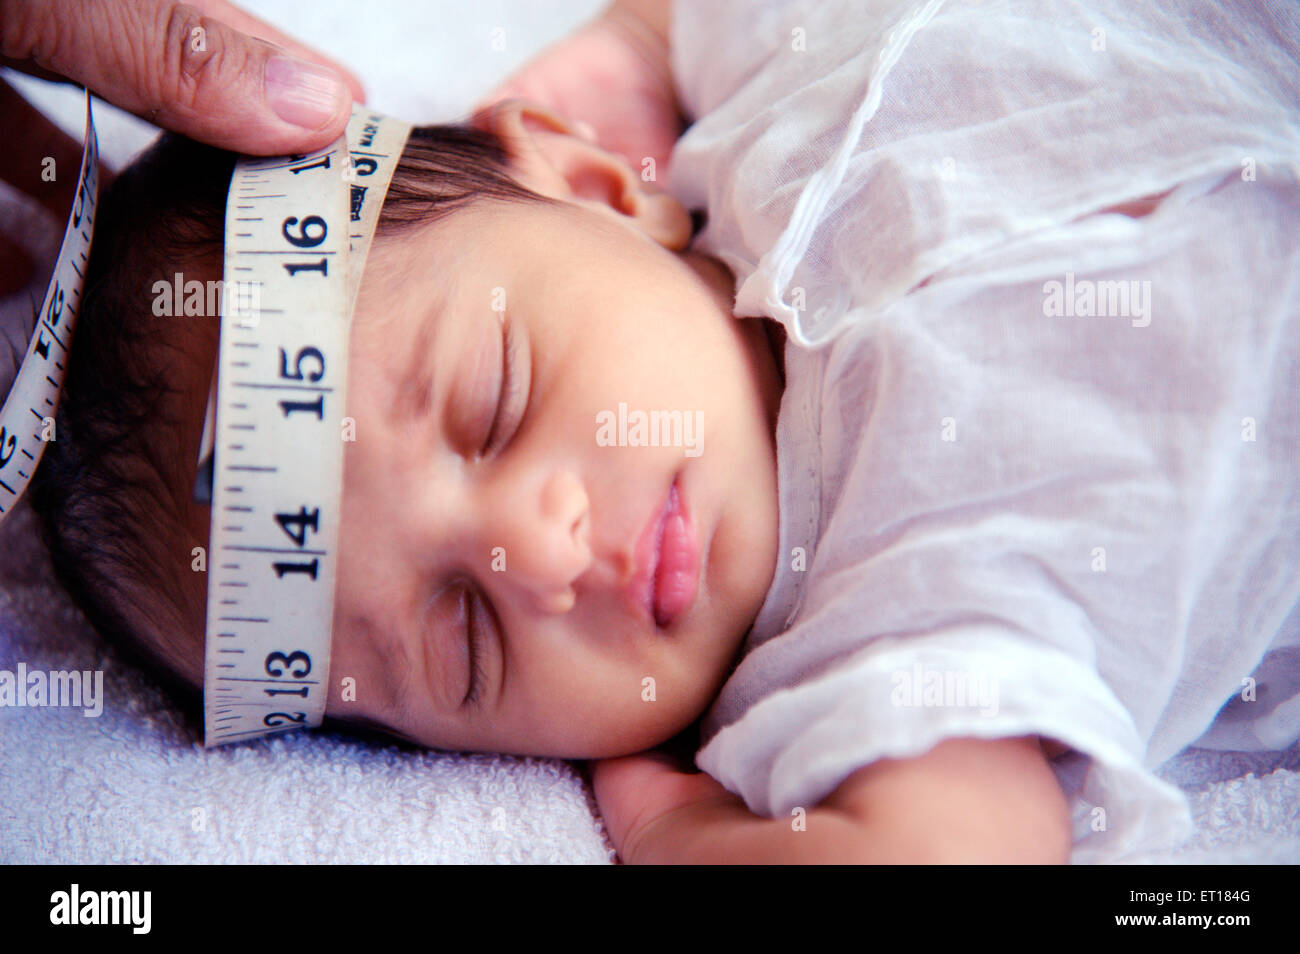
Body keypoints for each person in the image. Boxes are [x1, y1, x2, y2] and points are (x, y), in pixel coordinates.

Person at [22, 0, 1300, 865]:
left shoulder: (769, 84)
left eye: (496, 401)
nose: (536, 555)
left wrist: (641, 37)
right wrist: (687, 838)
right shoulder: (877, 642)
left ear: (595, 183)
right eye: (464, 638)